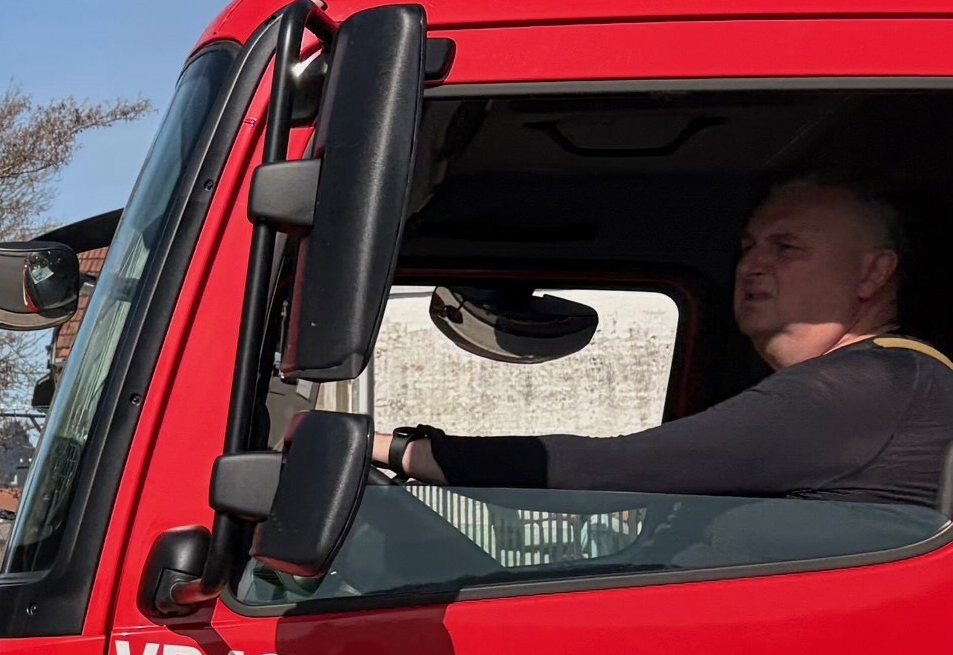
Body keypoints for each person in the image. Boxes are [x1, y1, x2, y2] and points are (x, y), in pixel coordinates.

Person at [372, 175, 953, 507]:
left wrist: (391, 451)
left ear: (873, 274)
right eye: (748, 247)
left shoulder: (876, 386)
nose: (752, 265)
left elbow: (608, 471)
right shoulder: (861, 387)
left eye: (787, 248)